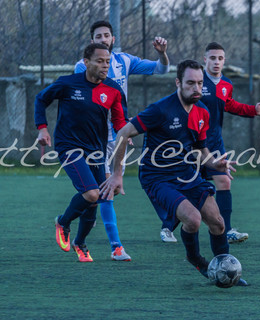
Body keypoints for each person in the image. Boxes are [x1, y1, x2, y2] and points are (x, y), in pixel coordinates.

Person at [100, 60, 248, 285]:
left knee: (218, 223)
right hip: (157, 177)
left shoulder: (202, 112)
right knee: (193, 219)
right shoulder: (161, 109)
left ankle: (224, 267)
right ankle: (196, 259)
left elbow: (200, 148)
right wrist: (117, 173)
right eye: (190, 83)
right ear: (178, 82)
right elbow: (124, 132)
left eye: (199, 83)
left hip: (186, 173)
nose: (196, 88)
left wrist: (214, 164)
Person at [159, 42, 260, 243]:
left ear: (224, 61)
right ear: (205, 60)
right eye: (212, 58)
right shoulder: (196, 81)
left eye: (220, 58)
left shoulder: (226, 84)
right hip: (192, 144)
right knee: (188, 186)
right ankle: (167, 227)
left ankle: (227, 230)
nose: (216, 62)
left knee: (224, 181)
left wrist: (253, 110)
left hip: (214, 143)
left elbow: (229, 104)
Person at [75, 20, 170, 259]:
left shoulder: (124, 61)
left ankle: (76, 215)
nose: (103, 39)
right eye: (99, 36)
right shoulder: (81, 67)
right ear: (92, 41)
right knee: (106, 189)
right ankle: (116, 247)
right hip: (95, 137)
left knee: (108, 190)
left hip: (119, 134)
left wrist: (163, 54)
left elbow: (161, 69)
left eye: (107, 35)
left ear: (113, 39)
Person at [35, 43, 128, 262]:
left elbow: (119, 123)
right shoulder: (67, 83)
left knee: (99, 197)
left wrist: (126, 134)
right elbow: (41, 99)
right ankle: (63, 221)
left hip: (96, 152)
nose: (105, 66)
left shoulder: (113, 89)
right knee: (92, 193)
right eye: (99, 61)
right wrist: (42, 128)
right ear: (86, 62)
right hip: (69, 147)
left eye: (107, 62)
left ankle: (80, 242)